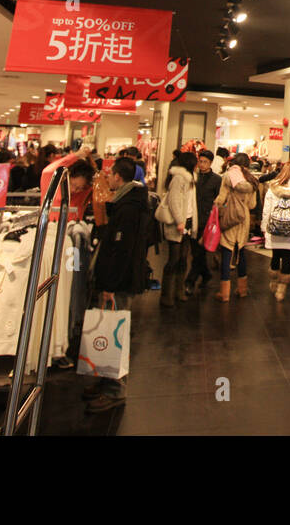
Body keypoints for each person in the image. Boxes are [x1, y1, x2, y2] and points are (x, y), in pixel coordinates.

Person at [83, 156, 150, 413]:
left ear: (118, 177)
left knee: (114, 331)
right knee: (107, 330)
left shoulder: (129, 207)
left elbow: (122, 250)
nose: (107, 178)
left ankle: (115, 389)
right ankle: (103, 380)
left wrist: (110, 283)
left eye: (110, 174)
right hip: (117, 278)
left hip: (118, 281)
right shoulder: (126, 202)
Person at [213, 153, 256, 301]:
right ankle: (242, 289)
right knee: (241, 252)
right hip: (243, 218)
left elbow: (221, 199)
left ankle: (224, 293)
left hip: (229, 217)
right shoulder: (251, 180)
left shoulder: (228, 176)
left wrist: (216, 211)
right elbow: (252, 205)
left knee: (227, 251)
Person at [261, 160, 290, 301]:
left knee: (275, 255)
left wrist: (264, 226)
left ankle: (274, 281)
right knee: (287, 256)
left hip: (274, 229)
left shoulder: (273, 187)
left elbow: (266, 209)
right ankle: (281, 290)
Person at [157, 151, 197, 307]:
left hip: (187, 221)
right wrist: (180, 220)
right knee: (173, 259)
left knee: (183, 259)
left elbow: (191, 203)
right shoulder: (179, 179)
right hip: (177, 223)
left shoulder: (191, 179)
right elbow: (174, 201)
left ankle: (178, 290)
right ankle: (167, 295)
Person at [186, 149, 221, 297]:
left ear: (211, 163)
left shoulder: (216, 180)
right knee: (196, 252)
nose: (202, 164)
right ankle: (206, 274)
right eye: (200, 161)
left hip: (207, 222)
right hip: (193, 219)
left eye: (205, 162)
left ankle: (190, 282)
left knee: (199, 253)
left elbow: (219, 201)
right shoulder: (193, 178)